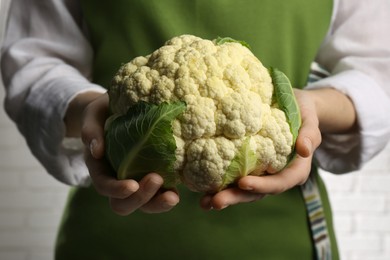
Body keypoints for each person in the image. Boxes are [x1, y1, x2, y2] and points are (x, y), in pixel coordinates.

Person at [1, 0, 390, 259]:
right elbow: (34, 59)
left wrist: (315, 107)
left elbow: (380, 66)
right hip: (115, 228)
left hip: (281, 239)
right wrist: (90, 111)